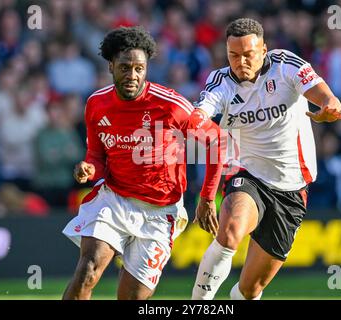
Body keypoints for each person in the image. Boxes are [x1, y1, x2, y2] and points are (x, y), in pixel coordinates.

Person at [62, 26, 222, 300]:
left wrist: (207, 198)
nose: (132, 75)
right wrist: (87, 168)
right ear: (111, 66)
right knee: (88, 269)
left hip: (160, 212)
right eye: (125, 67)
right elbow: (97, 156)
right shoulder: (96, 104)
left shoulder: (171, 105)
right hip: (114, 199)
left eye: (139, 68)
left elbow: (217, 142)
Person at [191, 18, 341, 300]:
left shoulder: (287, 65)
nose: (241, 63)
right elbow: (201, 112)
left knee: (250, 290)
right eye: (233, 56)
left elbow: (326, 96)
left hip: (292, 188)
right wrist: (196, 121)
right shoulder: (221, 83)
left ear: (264, 49)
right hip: (247, 173)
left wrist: (328, 106)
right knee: (230, 232)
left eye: (248, 55)